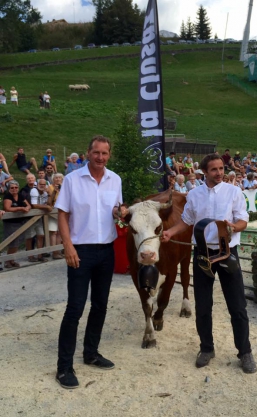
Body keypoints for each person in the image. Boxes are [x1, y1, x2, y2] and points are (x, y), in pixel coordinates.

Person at [161, 153, 257, 373]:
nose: (219, 173)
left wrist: (234, 226)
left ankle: (245, 352)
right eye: (214, 169)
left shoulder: (234, 192)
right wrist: (169, 233)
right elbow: (186, 221)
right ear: (204, 172)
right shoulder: (194, 195)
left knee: (238, 306)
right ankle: (206, 348)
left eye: (221, 168)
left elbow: (243, 219)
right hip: (203, 254)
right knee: (203, 306)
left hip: (227, 253)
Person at [54, 135, 122, 389]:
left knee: (100, 305)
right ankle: (64, 367)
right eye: (96, 153)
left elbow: (115, 210)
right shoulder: (72, 180)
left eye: (105, 154)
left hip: (106, 250)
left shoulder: (115, 180)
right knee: (75, 308)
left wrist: (121, 212)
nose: (100, 157)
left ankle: (91, 353)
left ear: (109, 155)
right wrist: (68, 246)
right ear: (88, 153)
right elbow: (62, 215)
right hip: (80, 251)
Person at [2, 180, 31, 268]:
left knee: (18, 242)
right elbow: (7, 208)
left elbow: (28, 205)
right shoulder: (8, 196)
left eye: (16, 187)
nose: (14, 189)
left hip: (20, 222)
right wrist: (21, 208)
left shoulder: (20, 195)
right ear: (9, 189)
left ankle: (12, 260)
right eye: (12, 188)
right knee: (12, 242)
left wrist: (27, 208)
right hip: (11, 222)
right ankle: (8, 261)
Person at [30, 179, 53, 262]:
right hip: (30, 217)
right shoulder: (34, 190)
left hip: (39, 217)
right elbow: (34, 205)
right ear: (37, 184)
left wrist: (50, 195)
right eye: (41, 184)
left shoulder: (45, 191)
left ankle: (40, 255)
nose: (42, 185)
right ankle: (30, 256)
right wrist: (46, 207)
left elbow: (49, 203)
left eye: (44, 184)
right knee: (30, 237)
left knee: (41, 235)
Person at [47, 173, 64, 259]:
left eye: (59, 178)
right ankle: (54, 252)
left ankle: (59, 250)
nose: (58, 179)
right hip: (53, 211)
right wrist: (55, 191)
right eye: (56, 178)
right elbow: (49, 201)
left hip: (62, 212)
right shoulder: (50, 187)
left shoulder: (64, 187)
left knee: (60, 232)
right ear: (53, 179)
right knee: (53, 232)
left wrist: (61, 189)